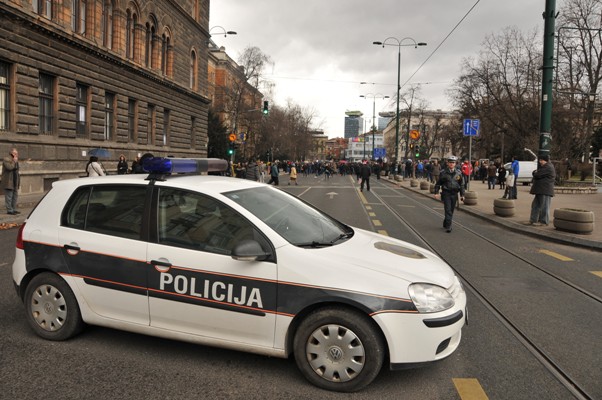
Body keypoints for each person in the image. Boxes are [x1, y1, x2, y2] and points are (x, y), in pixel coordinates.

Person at [434, 156, 465, 232]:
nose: (451, 164)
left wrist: (462, 195)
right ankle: (449, 226)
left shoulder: (458, 173)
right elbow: (438, 184)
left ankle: (446, 222)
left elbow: (461, 184)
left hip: (454, 194)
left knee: (451, 210)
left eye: (453, 162)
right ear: (447, 163)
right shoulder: (443, 173)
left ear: (455, 164)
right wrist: (436, 192)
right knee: (448, 210)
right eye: (450, 162)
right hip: (446, 193)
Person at [528, 155, 555, 226]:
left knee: (544, 206)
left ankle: (544, 221)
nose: (540, 162)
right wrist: (536, 173)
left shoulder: (548, 167)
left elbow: (537, 174)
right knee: (535, 205)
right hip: (540, 190)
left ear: (545, 160)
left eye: (541, 160)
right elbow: (537, 174)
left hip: (545, 190)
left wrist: (535, 173)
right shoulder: (545, 167)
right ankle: (533, 220)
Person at [2, 148, 21, 215]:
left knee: (15, 196)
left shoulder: (15, 160)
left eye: (17, 153)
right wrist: (14, 161)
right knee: (9, 196)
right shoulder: (6, 159)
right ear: (12, 153)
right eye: (15, 153)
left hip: (15, 181)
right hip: (9, 181)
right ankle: (9, 210)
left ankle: (14, 209)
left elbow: (17, 169)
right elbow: (9, 167)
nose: (17, 155)